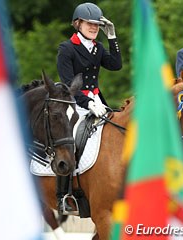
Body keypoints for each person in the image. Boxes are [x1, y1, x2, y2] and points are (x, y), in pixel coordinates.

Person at [56, 2, 122, 214]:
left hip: (98, 103)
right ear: (78, 24)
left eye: (97, 25)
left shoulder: (98, 47)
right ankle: (64, 195)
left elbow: (116, 65)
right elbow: (67, 85)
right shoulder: (67, 48)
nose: (94, 28)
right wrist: (88, 103)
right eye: (89, 24)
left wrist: (112, 37)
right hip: (74, 104)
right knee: (71, 142)